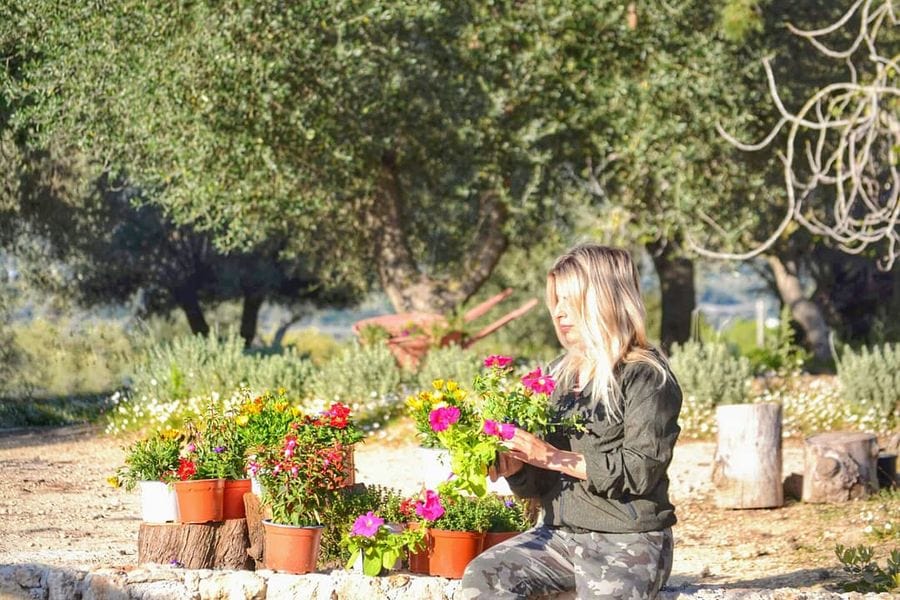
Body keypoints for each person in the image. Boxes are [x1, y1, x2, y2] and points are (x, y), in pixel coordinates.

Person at [461, 243, 683, 599]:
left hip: (630, 539)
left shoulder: (645, 375)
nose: (559, 314)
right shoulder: (555, 376)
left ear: (606, 300)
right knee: (482, 577)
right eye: (556, 302)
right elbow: (541, 485)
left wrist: (552, 457)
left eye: (571, 301)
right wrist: (517, 467)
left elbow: (640, 471)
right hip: (559, 536)